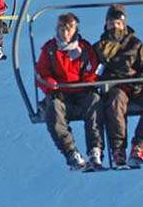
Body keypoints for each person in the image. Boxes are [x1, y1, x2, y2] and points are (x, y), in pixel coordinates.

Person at [93, 4, 143, 168]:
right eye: (111, 23)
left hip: (136, 85)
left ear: (123, 24)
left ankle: (140, 146)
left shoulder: (135, 44)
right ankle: (118, 148)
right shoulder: (100, 47)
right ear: (106, 24)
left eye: (118, 23)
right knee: (116, 102)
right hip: (116, 87)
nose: (114, 26)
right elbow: (94, 71)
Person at [35, 12, 104, 171]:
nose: (64, 33)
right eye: (61, 29)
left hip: (82, 92)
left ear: (75, 30)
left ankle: (95, 150)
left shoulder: (84, 48)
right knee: (53, 110)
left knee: (94, 102)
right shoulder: (51, 49)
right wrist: (52, 87)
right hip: (60, 94)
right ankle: (71, 152)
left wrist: (88, 84)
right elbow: (42, 73)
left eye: (68, 29)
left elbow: (92, 70)